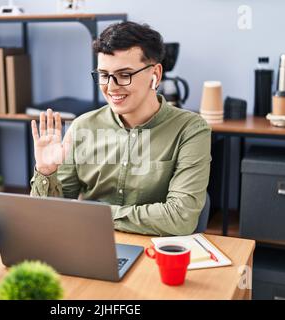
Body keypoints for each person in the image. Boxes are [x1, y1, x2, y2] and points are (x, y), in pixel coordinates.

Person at [30, 21, 211, 236]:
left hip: (153, 252)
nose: (111, 86)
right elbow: (50, 215)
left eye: (125, 75)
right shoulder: (82, 126)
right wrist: (45, 172)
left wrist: (96, 214)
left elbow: (180, 218)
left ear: (156, 74)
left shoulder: (190, 130)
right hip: (89, 243)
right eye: (104, 75)